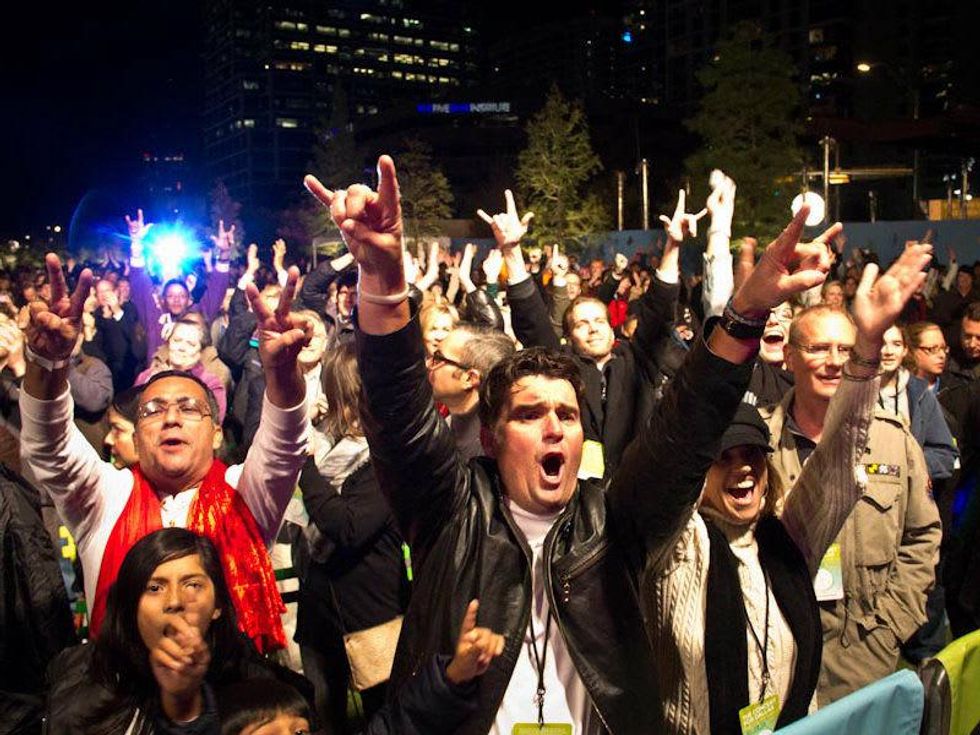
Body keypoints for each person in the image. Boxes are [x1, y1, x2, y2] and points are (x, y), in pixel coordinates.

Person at [304, 155, 836, 733]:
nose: (554, 426)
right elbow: (398, 411)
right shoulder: (451, 512)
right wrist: (383, 278)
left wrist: (745, 312)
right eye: (530, 414)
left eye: (566, 413)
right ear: (490, 436)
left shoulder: (613, 521)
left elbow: (686, 430)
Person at [645, 244, 931, 735]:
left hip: (854, 656)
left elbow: (837, 474)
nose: (744, 470)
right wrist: (744, 309)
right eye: (724, 458)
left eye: (753, 456)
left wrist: (868, 348)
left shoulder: (784, 538)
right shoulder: (673, 542)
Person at [20, 254, 310, 653]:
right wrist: (48, 364)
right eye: (153, 411)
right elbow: (48, 444)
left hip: (230, 702)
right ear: (136, 438)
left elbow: (284, 447)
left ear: (214, 434)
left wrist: (282, 376)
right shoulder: (106, 496)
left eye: (189, 409)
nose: (171, 417)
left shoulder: (243, 492)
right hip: (124, 702)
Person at [762, 300, 942, 705]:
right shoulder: (758, 446)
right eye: (818, 348)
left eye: (846, 350)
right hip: (777, 653)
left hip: (862, 653)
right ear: (789, 357)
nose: (833, 362)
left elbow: (922, 535)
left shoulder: (894, 440)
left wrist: (891, 625)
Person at [44, 528, 312, 734]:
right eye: (155, 588)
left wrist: (186, 706)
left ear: (217, 604)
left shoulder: (251, 688)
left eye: (192, 585)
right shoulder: (83, 680)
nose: (175, 602)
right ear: (130, 606)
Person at [294, 341, 409, 732]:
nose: (338, 407)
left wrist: (306, 467)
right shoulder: (334, 443)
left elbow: (347, 526)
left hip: (368, 613)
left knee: (381, 716)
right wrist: (307, 427)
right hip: (321, 608)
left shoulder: (387, 457)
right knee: (325, 712)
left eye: (341, 395)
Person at [125, 211, 232, 359]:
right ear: (163, 299)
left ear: (189, 299)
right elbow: (140, 287)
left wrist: (225, 254)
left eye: (182, 295)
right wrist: (136, 244)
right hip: (159, 380)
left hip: (190, 381)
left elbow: (216, 290)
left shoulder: (198, 317)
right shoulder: (154, 319)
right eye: (170, 295)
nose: (176, 299)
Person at [427, 324, 516, 460]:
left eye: (438, 358)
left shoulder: (489, 450)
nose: (428, 365)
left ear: (469, 378)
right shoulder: (445, 425)